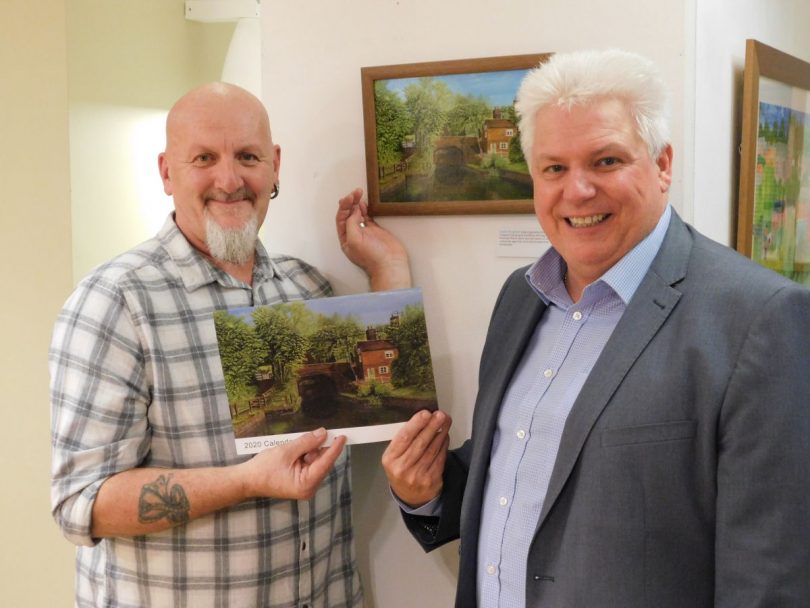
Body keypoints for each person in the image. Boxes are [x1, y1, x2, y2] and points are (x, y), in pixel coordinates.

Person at [382, 49, 810, 607]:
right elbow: (525, 465)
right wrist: (426, 492)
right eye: (554, 168)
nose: (577, 190)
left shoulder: (761, 318)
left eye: (606, 161)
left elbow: (770, 580)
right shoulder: (520, 296)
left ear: (662, 165)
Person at [49, 82, 408, 607]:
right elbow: (82, 505)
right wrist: (245, 481)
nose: (229, 179)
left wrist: (388, 269)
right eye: (204, 158)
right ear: (167, 172)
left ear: (275, 166)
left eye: (247, 156)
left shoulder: (309, 290)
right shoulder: (115, 304)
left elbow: (384, 402)